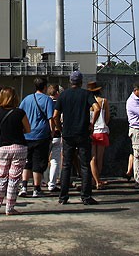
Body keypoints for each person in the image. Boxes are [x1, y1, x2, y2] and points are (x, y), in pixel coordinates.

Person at [52, 70, 98, 205]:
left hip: (68, 133)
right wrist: (91, 124)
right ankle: (86, 196)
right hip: (83, 132)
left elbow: (55, 115)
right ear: (81, 81)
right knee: (85, 165)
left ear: (70, 81)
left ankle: (63, 196)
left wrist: (60, 128)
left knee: (66, 165)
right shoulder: (86, 94)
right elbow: (97, 107)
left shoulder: (63, 95)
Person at [0, 86, 32, 215]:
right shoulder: (20, 113)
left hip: (3, 147)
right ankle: (10, 208)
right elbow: (28, 129)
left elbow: (0, 126)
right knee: (13, 179)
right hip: (19, 147)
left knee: (2, 177)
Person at [19, 77, 54, 197]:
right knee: (38, 163)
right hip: (41, 135)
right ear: (45, 87)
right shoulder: (47, 100)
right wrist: (52, 132)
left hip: (26, 135)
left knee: (26, 162)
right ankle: (36, 188)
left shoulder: (27, 99)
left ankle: (23, 186)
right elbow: (51, 118)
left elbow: (20, 114)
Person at [87, 82, 110, 189]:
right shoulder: (104, 101)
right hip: (101, 130)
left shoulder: (88, 102)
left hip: (91, 131)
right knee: (100, 157)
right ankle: (98, 179)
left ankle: (93, 179)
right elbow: (107, 118)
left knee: (92, 157)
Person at [45, 84, 62, 191]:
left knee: (44, 158)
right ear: (57, 93)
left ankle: (43, 180)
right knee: (55, 160)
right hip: (56, 133)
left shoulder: (45, 102)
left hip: (44, 133)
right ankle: (52, 183)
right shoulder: (60, 104)